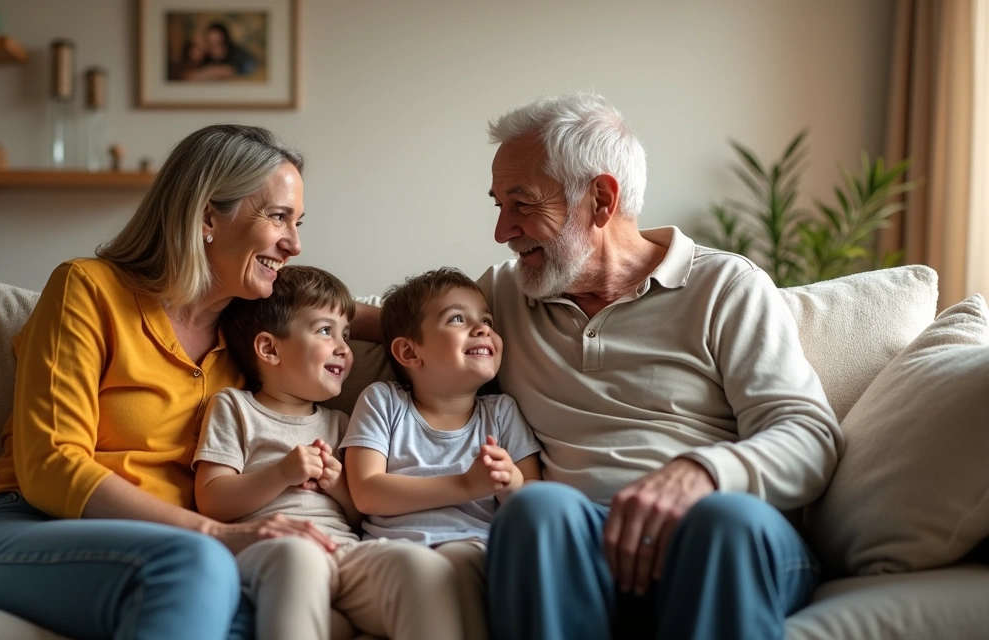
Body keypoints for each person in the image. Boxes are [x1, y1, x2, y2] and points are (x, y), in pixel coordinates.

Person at [352, 93, 844, 639]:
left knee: (721, 522)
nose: (501, 230)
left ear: (601, 200)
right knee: (537, 511)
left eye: (522, 204)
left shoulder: (726, 287)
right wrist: (266, 298)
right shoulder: (503, 296)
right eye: (498, 205)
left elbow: (809, 436)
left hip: (716, 536)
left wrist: (705, 473)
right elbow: (410, 327)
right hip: (580, 548)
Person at [0, 124, 338, 640]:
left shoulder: (251, 333)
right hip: (27, 528)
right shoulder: (87, 289)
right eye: (278, 217)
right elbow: (50, 467)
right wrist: (219, 534)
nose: (294, 242)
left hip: (176, 550)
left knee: (271, 614)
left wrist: (394, 323)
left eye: (298, 221)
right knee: (198, 567)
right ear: (206, 217)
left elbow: (331, 307)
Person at [197, 265, 466, 640]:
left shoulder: (342, 422)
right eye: (326, 331)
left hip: (343, 550)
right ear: (269, 348)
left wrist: (339, 485)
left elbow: (363, 512)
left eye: (347, 334)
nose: (344, 348)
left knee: (418, 566)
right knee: (299, 558)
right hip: (270, 547)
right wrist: (281, 474)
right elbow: (211, 500)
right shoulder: (235, 408)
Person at [342, 267, 542, 640]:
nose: (482, 328)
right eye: (457, 319)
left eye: (486, 320)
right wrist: (466, 485)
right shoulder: (383, 402)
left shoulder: (501, 412)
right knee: (423, 568)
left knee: (462, 560)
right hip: (395, 554)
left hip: (474, 550)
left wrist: (510, 483)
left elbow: (533, 497)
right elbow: (366, 492)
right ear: (408, 351)